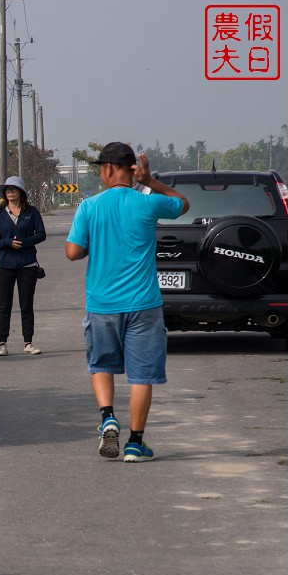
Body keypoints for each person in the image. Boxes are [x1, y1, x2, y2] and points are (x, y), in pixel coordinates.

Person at [66, 141, 189, 463]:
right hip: (144, 304)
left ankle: (108, 417)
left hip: (103, 305)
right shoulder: (147, 204)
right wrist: (150, 183)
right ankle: (136, 443)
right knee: (141, 375)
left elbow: (72, 252)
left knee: (102, 365)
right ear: (132, 170)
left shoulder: (89, 207)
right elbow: (182, 204)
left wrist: (94, 243)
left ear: (107, 169)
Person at [0, 175, 47, 357]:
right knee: (4, 306)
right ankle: (2, 343)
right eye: (7, 190)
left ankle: (28, 342)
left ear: (21, 192)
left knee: (26, 305)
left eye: (13, 189)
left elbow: (41, 234)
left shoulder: (32, 212)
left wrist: (24, 241)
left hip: (27, 264)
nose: (10, 192)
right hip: (4, 265)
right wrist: (7, 243)